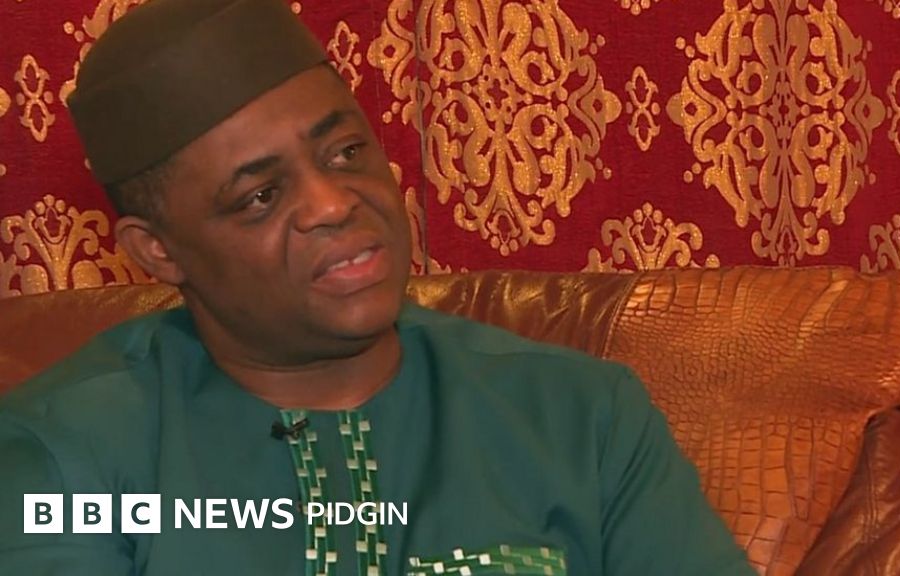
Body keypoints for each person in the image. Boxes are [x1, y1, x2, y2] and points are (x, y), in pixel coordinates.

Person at [0, 0, 754, 574]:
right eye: (260, 196)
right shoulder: (66, 459)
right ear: (158, 251)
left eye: (346, 152)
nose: (334, 203)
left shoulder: (582, 417)